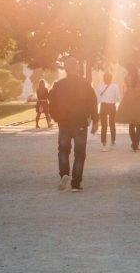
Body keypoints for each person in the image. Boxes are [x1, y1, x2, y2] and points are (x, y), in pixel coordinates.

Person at [48, 57, 97, 193]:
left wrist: (56, 117)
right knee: (80, 153)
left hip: (64, 122)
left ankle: (64, 173)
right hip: (80, 121)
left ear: (65, 69)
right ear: (77, 68)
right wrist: (95, 120)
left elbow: (51, 102)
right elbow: (92, 102)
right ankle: (76, 183)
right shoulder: (85, 84)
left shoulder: (59, 85)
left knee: (63, 149)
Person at [94, 72, 121, 152]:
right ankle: (113, 141)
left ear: (104, 78)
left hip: (103, 106)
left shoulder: (100, 87)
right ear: (111, 78)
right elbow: (118, 98)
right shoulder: (115, 86)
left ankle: (104, 144)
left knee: (104, 126)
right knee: (112, 124)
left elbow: (97, 99)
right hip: (112, 106)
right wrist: (112, 100)